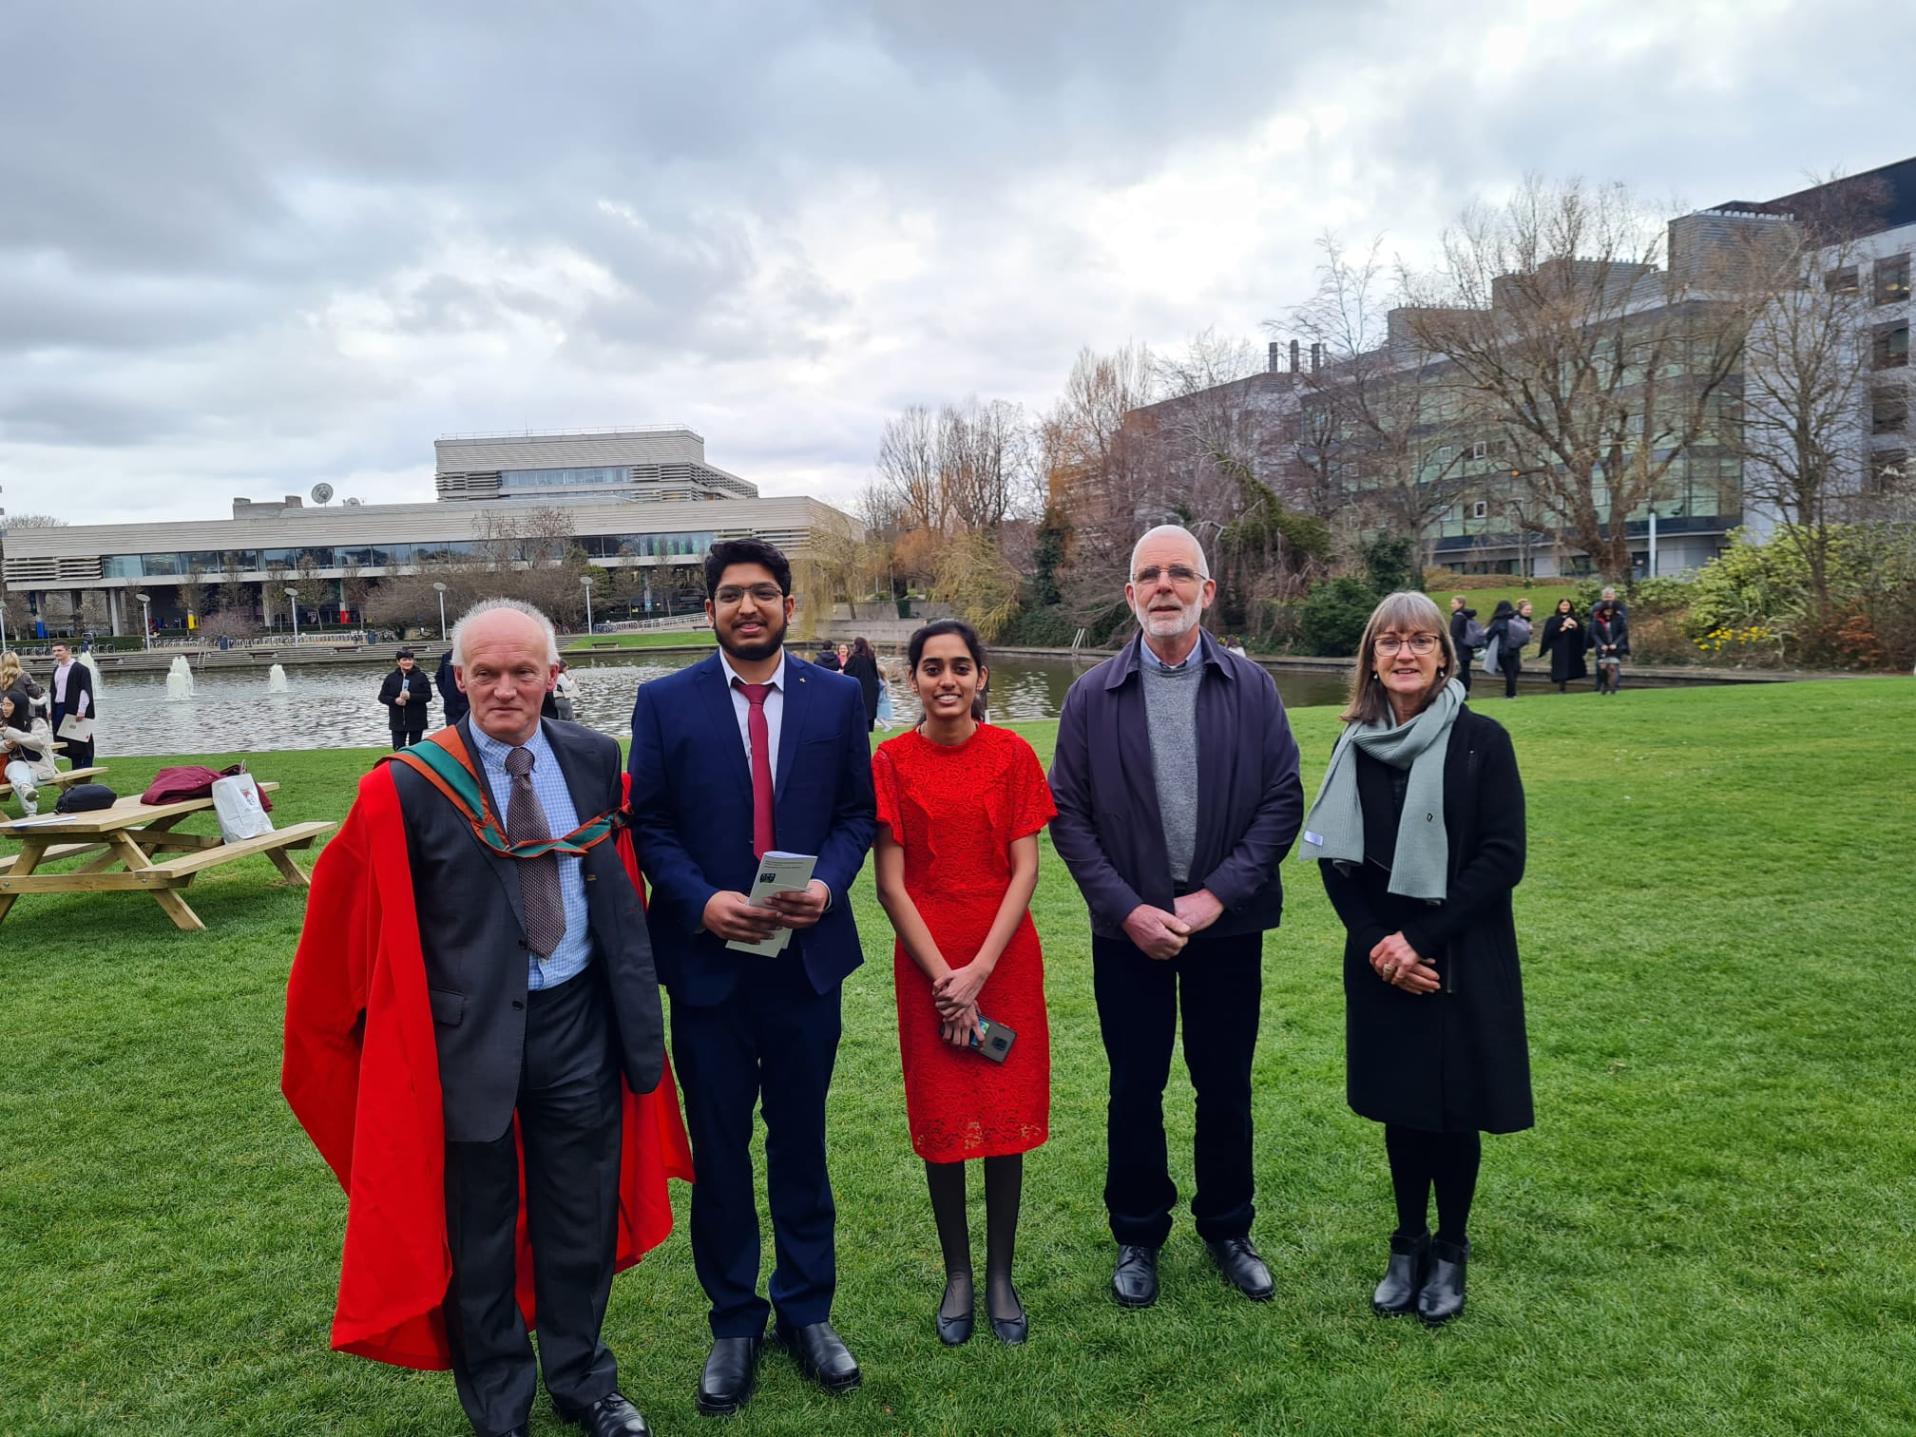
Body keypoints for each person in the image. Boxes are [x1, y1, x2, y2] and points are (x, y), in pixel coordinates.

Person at [283, 598, 690, 1437]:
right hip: (467, 1043)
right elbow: (354, 923)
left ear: (553, 675)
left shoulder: (588, 756)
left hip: (578, 1019)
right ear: (458, 678)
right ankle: (500, 1403)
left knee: (579, 1214)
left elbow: (615, 884)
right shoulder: (408, 787)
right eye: (486, 674)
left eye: (523, 672)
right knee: (480, 1233)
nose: (505, 689)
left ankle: (582, 1380)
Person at [626, 538, 877, 1416]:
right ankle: (734, 1319)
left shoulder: (839, 697)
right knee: (723, 1152)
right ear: (710, 610)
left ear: (788, 606)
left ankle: (807, 1311)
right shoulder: (663, 702)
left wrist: (828, 882)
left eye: (763, 594)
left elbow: (857, 814)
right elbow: (648, 822)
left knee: (801, 1144)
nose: (748, 608)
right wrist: (699, 901)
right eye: (731, 595)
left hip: (807, 962)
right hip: (708, 967)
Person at [1047, 524, 1304, 1309]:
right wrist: (1128, 910)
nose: (1164, 586)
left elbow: (1281, 800)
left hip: (1225, 926)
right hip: (1130, 935)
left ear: (1207, 591)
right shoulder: (1093, 695)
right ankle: (1137, 1231)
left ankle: (1228, 1226)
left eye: (1179, 573)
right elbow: (1069, 815)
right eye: (1149, 575)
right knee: (1136, 1084)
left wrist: (1214, 894)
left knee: (1224, 1082)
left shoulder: (1251, 686)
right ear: (1130, 595)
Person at [1301, 590, 1532, 1326]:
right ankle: (1406, 1245)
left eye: (1420, 641)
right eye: (1390, 641)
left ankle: (1451, 1249)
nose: (1405, 653)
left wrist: (1421, 941)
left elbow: (1503, 857)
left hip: (1459, 953)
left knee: (1455, 1109)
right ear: (1371, 656)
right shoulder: (1353, 746)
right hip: (1381, 960)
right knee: (1404, 1108)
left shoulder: (1482, 740)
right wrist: (1378, 944)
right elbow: (1335, 863)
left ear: (1443, 654)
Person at [872, 620, 1055, 1348]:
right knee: (946, 1118)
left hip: (1002, 957)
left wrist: (978, 971)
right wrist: (946, 978)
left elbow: (1026, 869)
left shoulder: (1012, 754)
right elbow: (889, 883)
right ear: (911, 679)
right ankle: (957, 1271)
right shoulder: (889, 760)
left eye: (960, 667)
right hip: (927, 962)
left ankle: (1002, 1273)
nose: (946, 679)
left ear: (982, 676)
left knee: (1002, 1111)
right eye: (931, 667)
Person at [1, 689, 57, 815]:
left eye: (8, 704)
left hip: (39, 770)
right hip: (13, 769)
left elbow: (39, 743)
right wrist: (7, 745)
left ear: (19, 705)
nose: (4, 708)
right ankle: (29, 804)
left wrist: (13, 735)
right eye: (3, 704)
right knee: (16, 768)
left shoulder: (37, 722)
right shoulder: (4, 723)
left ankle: (31, 811)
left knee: (18, 782)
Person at [48, 642, 95, 769]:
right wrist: (52, 708)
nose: (56, 653)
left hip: (75, 708)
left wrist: (81, 710)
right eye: (54, 651)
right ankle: (76, 766)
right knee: (66, 740)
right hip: (59, 707)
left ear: (68, 651)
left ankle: (86, 766)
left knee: (81, 738)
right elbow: (54, 690)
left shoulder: (80, 669)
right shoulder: (57, 669)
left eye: (59, 650)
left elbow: (85, 691)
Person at [378, 649, 433, 750]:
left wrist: (411, 697)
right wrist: (395, 700)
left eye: (410, 659)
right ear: (398, 662)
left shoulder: (421, 677)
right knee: (398, 748)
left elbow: (428, 696)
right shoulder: (391, 678)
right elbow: (382, 697)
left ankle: (415, 765)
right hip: (397, 720)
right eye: (404, 659)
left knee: (415, 750)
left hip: (416, 720)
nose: (408, 662)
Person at [1536, 599, 1588, 692]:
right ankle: (1561, 688)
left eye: (1567, 605)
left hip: (1572, 648)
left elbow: (1581, 633)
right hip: (1559, 648)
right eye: (1563, 605)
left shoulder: (1574, 618)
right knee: (1560, 668)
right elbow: (1549, 634)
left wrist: (1575, 625)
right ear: (1559, 606)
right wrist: (1563, 627)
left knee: (1571, 667)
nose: (1565, 607)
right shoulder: (1553, 620)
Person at [1588, 599, 1630, 694]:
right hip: (1602, 649)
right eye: (1606, 610)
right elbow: (1594, 634)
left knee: (1612, 667)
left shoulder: (1619, 618)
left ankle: (1613, 687)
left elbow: (1623, 632)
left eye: (1610, 610)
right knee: (1603, 668)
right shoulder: (1597, 620)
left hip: (1615, 648)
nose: (1608, 612)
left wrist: (1615, 643)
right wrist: (1601, 644)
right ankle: (1605, 684)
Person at [842, 637, 882, 732]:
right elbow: (875, 673)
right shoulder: (871, 656)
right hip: (872, 688)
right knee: (869, 714)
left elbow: (848, 673)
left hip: (860, 689)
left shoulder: (854, 658)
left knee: (859, 713)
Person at [1448, 597, 1481, 697]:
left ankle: (1460, 692)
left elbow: (1454, 633)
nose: (1451, 605)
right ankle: (1467, 690)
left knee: (1460, 670)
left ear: (1460, 604)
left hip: (1459, 648)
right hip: (1468, 647)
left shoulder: (1458, 617)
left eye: (1453, 603)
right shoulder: (1468, 616)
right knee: (1466, 670)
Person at [438, 646, 471, 727]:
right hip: (452, 706)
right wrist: (446, 693)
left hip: (470, 704)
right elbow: (439, 677)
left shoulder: (471, 655)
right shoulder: (447, 656)